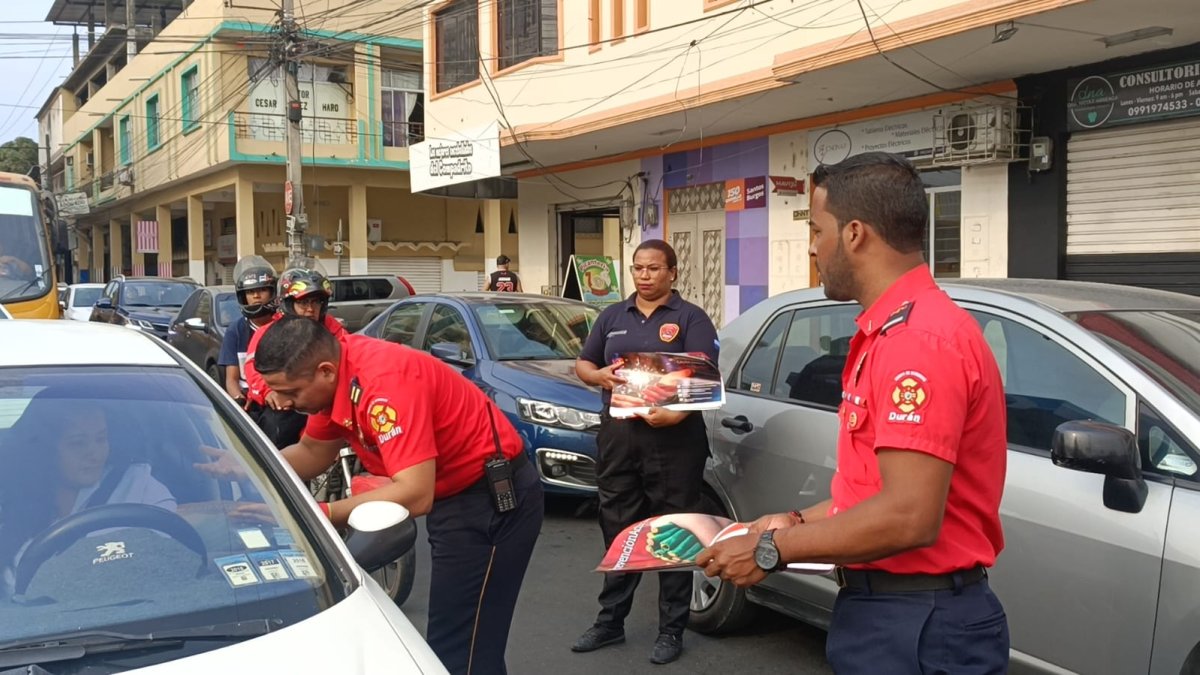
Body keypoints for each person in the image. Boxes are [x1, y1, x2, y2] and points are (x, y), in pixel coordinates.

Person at [695, 151, 1010, 674]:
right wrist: (790, 521)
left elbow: (907, 516)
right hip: (890, 612)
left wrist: (771, 550)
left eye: (818, 231)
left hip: (918, 623)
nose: (814, 249)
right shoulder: (890, 332)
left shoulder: (918, 342)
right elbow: (871, 498)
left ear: (855, 234)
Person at [253, 316, 543, 675]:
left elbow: (415, 493)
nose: (281, 402)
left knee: (461, 649)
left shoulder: (383, 384)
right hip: (452, 497)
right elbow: (312, 451)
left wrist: (315, 513)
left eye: (291, 392)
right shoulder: (338, 378)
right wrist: (250, 469)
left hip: (488, 501)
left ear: (325, 371)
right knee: (460, 642)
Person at [571, 239, 719, 666]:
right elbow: (584, 364)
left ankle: (671, 629)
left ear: (672, 272)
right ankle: (609, 623)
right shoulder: (613, 316)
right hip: (620, 439)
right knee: (618, 529)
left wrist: (675, 416)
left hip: (674, 442)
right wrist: (596, 375)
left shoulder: (691, 318)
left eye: (653, 268)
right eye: (638, 268)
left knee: (673, 530)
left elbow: (706, 379)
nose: (645, 276)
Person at [0, 401, 176, 596]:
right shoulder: (9, 502)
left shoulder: (139, 486)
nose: (95, 454)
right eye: (77, 442)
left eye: (101, 439)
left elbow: (169, 559)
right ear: (45, 448)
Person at [242, 263, 346, 448]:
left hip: (326, 401)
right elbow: (253, 367)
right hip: (287, 403)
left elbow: (349, 357)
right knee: (275, 434)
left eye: (316, 302)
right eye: (303, 302)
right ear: (289, 303)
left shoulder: (333, 328)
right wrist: (269, 392)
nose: (310, 308)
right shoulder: (269, 331)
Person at [218, 256, 279, 405]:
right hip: (249, 400)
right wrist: (239, 399)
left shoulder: (284, 326)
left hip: (279, 397)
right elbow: (231, 380)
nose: (256, 296)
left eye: (262, 290)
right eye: (250, 291)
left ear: (272, 293)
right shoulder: (235, 331)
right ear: (243, 296)